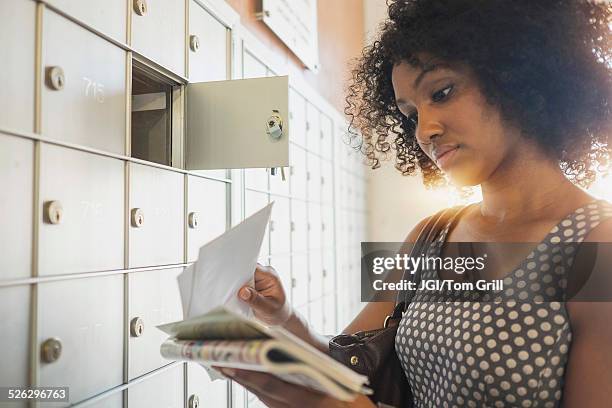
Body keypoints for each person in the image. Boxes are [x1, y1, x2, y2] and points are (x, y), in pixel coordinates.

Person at [219, 0, 612, 406]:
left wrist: (321, 401)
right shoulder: (429, 235)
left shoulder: (600, 247)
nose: (425, 130)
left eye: (441, 92)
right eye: (409, 115)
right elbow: (349, 366)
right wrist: (284, 320)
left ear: (515, 77)